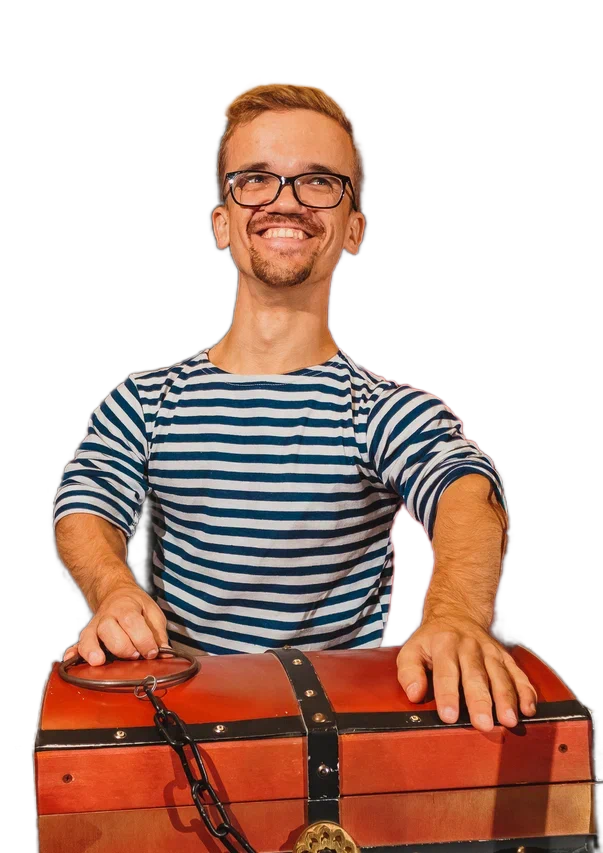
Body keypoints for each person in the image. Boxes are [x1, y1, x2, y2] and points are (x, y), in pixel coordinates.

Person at [54, 81, 538, 733]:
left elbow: (466, 489)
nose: (285, 201)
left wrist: (456, 615)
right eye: (255, 179)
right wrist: (113, 590)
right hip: (177, 730)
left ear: (354, 230)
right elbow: (86, 502)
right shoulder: (142, 401)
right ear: (221, 223)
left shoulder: (385, 411)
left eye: (318, 182)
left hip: (333, 742)